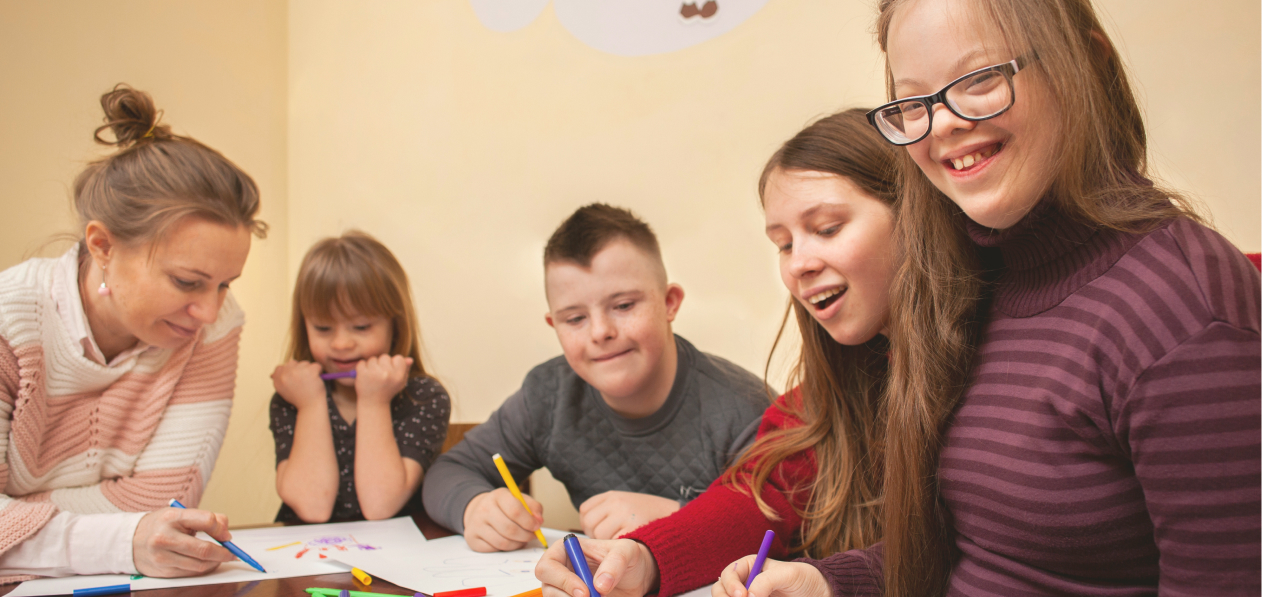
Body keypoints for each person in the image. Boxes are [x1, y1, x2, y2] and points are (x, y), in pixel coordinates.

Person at [715, 0, 1261, 596]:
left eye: (979, 79)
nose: (944, 123)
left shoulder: (1181, 305)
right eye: (917, 102)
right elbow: (977, 551)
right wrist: (827, 582)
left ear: (1088, 63)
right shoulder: (980, 283)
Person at [534, 109, 900, 597]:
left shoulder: (997, 371)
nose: (799, 265)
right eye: (784, 244)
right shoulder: (817, 400)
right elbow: (758, 497)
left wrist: (832, 580)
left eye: (828, 228)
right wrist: (645, 557)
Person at [0, 85, 267, 580]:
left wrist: (20, 514)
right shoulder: (9, 321)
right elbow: (141, 523)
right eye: (187, 282)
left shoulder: (214, 326)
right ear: (102, 246)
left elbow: (162, 501)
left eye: (225, 284)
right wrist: (123, 537)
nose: (209, 311)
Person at [423, 204, 768, 552]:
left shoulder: (746, 410)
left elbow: (797, 529)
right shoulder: (548, 394)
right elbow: (448, 472)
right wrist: (473, 507)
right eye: (575, 319)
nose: (601, 332)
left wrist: (679, 519)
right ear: (554, 325)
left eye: (623, 306)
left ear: (669, 303)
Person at [270, 231, 451, 523]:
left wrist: (374, 401)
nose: (341, 343)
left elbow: (380, 506)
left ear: (395, 325)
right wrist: (310, 403)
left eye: (362, 327)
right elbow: (313, 507)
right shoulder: (295, 395)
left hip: (398, 557)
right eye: (323, 328)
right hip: (311, 558)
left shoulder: (423, 396)